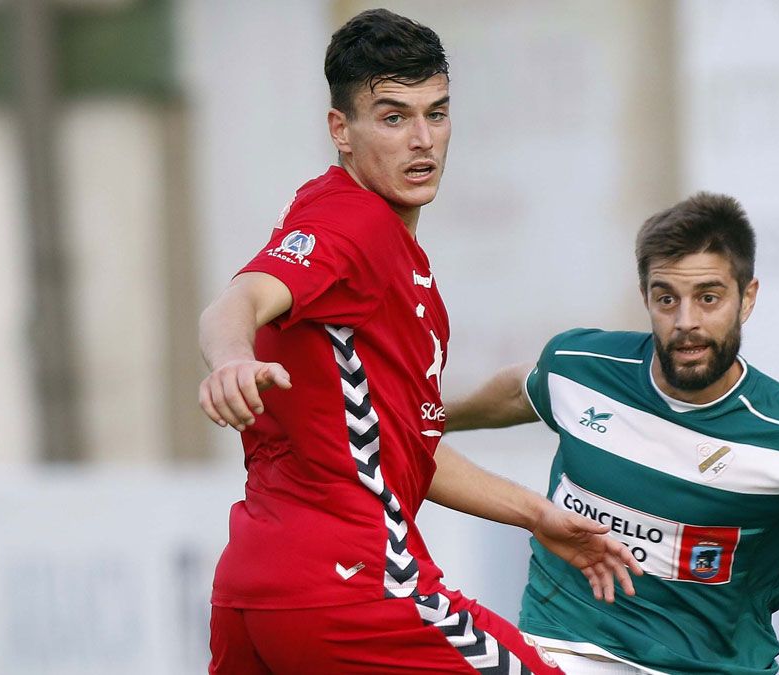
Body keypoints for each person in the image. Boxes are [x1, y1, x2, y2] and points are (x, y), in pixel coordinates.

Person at [197, 9, 638, 674]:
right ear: (340, 130)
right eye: (394, 116)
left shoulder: (366, 237)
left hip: (253, 589)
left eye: (437, 112)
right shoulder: (355, 226)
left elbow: (404, 446)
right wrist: (231, 357)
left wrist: (533, 514)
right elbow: (242, 297)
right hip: (352, 582)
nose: (422, 140)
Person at [445, 193, 779, 675]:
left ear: (747, 298)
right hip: (565, 647)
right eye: (666, 298)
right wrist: (419, 413)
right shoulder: (580, 366)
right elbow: (522, 388)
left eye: (708, 298)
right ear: (645, 297)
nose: (685, 322)